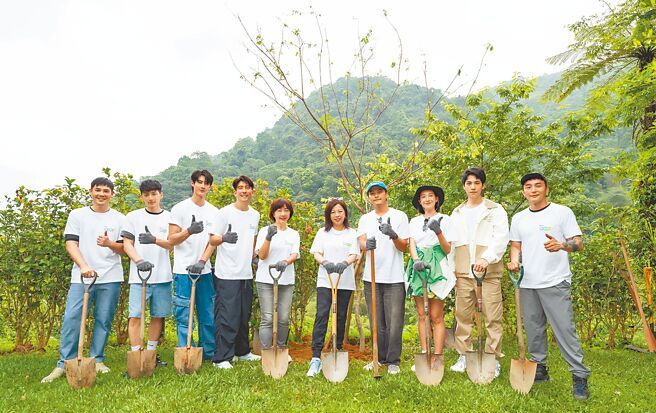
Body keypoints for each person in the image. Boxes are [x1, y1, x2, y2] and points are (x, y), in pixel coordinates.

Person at [508, 173, 590, 400]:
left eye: (537, 186)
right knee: (533, 328)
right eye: (528, 187)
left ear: (546, 189)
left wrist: (562, 245)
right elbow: (516, 245)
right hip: (527, 282)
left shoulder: (562, 212)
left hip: (555, 280)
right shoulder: (518, 218)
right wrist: (514, 260)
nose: (533, 190)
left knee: (564, 330)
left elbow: (578, 243)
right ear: (523, 192)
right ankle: (539, 369)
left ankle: (579, 376)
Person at [42, 177, 126, 383]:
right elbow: (71, 244)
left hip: (111, 275)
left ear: (112, 194)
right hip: (82, 276)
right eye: (98, 190)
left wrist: (109, 244)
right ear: (90, 191)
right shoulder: (77, 215)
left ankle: (97, 359)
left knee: (103, 319)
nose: (101, 194)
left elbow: (124, 249)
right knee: (72, 317)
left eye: (106, 191)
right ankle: (64, 363)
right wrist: (84, 266)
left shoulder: (120, 218)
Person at [449, 168, 508, 378]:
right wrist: (452, 271)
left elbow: (501, 239)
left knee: (492, 316)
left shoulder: (495, 210)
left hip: (488, 273)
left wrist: (486, 258)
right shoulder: (456, 212)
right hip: (463, 272)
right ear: (464, 186)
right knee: (463, 316)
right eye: (468, 183)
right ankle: (465, 354)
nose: (472, 186)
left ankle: (492, 356)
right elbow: (452, 244)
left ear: (483, 185)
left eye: (476, 182)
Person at [203, 175, 261, 369]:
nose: (244, 191)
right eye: (241, 188)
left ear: (252, 191)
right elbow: (212, 240)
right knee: (227, 315)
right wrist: (223, 238)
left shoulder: (255, 214)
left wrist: (254, 257)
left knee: (244, 314)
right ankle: (221, 358)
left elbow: (251, 240)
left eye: (248, 188)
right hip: (226, 273)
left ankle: (242, 351)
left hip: (246, 272)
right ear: (235, 191)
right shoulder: (224, 213)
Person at [357, 181, 409, 374]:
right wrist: (365, 244)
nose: (376, 195)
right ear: (369, 198)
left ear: (386, 194)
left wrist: (393, 234)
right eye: (372, 193)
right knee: (376, 321)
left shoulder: (399, 216)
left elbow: (404, 246)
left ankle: (393, 360)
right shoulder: (365, 219)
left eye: (379, 192)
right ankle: (378, 358)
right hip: (371, 277)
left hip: (394, 276)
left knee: (395, 321)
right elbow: (361, 241)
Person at [168, 170, 218, 361]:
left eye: (206, 183)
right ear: (193, 183)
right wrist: (189, 230)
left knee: (207, 313)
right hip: (183, 271)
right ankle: (185, 351)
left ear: (210, 187)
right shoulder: (179, 209)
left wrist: (202, 261)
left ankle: (208, 352)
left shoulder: (214, 212)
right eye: (199, 182)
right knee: (184, 314)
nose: (203, 186)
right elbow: (171, 239)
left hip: (204, 272)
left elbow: (212, 241)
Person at [121, 179, 172, 367]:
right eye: (147, 194)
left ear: (161, 195)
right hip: (139, 276)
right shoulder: (133, 217)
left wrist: (155, 239)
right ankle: (136, 355)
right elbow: (127, 243)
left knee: (158, 315)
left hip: (163, 276)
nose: (151, 198)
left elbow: (172, 244)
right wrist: (139, 261)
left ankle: (151, 354)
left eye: (154, 193)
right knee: (135, 316)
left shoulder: (170, 217)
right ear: (141, 196)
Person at [306, 198, 360, 377]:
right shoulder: (323, 232)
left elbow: (354, 253)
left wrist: (345, 263)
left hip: (344, 282)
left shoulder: (352, 233)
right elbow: (316, 253)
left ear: (345, 213)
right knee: (322, 315)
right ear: (329, 215)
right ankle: (316, 358)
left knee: (341, 316)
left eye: (340, 211)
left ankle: (337, 350)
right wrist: (326, 262)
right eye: (333, 212)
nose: (337, 215)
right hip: (326, 280)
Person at [405, 185, 457, 371]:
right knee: (422, 314)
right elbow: (411, 243)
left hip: (437, 267)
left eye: (430, 196)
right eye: (423, 196)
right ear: (419, 201)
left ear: (436, 199)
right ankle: (424, 352)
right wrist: (416, 259)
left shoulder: (446, 220)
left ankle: (437, 356)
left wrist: (438, 232)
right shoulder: (413, 222)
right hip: (418, 266)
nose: (427, 199)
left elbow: (447, 248)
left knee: (436, 315)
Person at [255, 198, 300, 357]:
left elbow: (294, 254)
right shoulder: (264, 231)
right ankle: (266, 351)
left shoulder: (293, 234)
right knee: (267, 317)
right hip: (265, 279)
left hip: (286, 280)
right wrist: (268, 237)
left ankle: (281, 350)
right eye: (279, 210)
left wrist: (285, 261)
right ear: (273, 213)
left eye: (286, 210)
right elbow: (261, 255)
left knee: (283, 318)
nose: (283, 214)